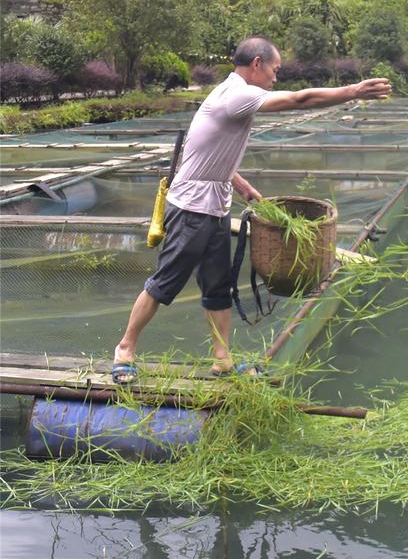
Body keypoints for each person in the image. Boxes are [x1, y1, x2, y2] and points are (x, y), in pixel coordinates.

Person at [112, 36, 391, 382]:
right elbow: (300, 99)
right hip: (190, 209)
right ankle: (124, 350)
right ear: (257, 63)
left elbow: (209, 154)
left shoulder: (230, 94)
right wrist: (353, 91)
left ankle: (222, 361)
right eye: (275, 70)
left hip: (214, 208)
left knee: (217, 287)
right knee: (164, 283)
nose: (276, 78)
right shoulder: (237, 95)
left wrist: (243, 188)